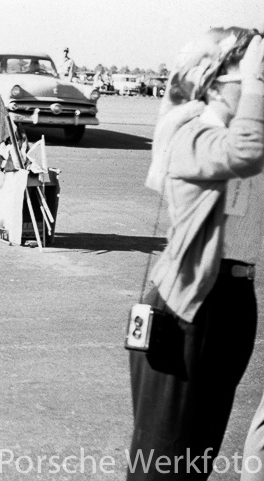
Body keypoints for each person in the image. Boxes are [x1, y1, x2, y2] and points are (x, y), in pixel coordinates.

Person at [127, 27, 264, 480]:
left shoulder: (232, 133)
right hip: (190, 304)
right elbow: (245, 151)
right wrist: (254, 85)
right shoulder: (190, 132)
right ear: (220, 78)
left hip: (231, 302)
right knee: (165, 461)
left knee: (194, 459)